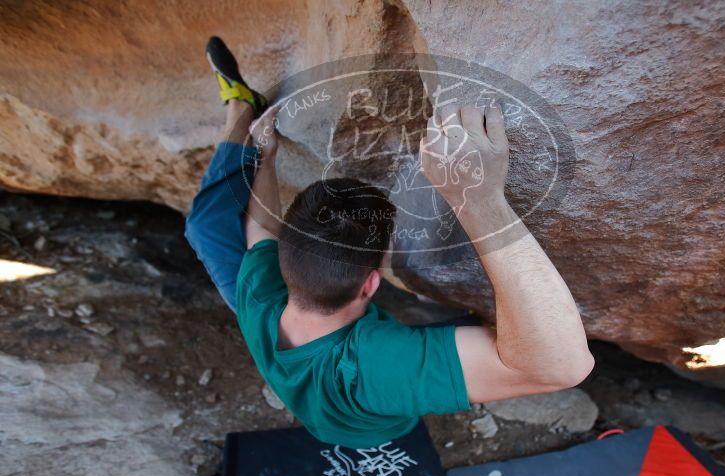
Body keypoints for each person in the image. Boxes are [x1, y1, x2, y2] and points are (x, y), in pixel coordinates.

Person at [185, 37, 594, 448]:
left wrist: (267, 156)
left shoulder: (258, 294)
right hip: (374, 422)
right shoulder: (371, 365)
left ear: (284, 261)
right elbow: (559, 367)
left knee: (204, 228)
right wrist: (480, 201)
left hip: (313, 386)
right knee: (495, 334)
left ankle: (239, 106)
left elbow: (260, 232)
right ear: (370, 284)